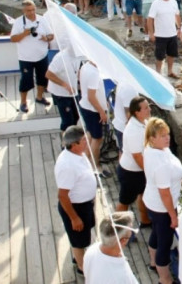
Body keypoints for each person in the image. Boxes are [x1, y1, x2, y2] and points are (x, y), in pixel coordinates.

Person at [143, 118, 182, 284]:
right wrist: (173, 216)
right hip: (162, 209)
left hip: (152, 204)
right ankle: (165, 279)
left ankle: (153, 261)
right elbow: (165, 193)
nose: (167, 138)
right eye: (162, 135)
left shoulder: (152, 149)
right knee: (165, 244)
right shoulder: (160, 164)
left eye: (167, 134)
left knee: (157, 233)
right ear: (152, 138)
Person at [55, 126, 97, 275]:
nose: (87, 142)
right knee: (79, 241)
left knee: (84, 234)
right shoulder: (67, 166)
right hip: (76, 208)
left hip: (85, 205)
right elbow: (62, 195)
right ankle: (82, 268)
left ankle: (78, 257)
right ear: (73, 145)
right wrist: (74, 218)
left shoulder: (78, 154)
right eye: (84, 140)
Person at [10, 0, 54, 113]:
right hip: (25, 58)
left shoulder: (42, 19)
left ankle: (39, 97)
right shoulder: (19, 22)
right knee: (26, 80)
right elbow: (13, 39)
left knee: (43, 78)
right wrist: (24, 33)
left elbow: (51, 35)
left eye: (33, 9)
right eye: (29, 10)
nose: (32, 12)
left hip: (42, 55)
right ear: (23, 11)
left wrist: (47, 38)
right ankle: (23, 102)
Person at [115, 96, 152, 227]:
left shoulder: (143, 122)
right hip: (130, 173)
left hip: (138, 171)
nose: (149, 109)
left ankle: (145, 220)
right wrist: (149, 173)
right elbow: (137, 156)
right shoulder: (133, 130)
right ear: (137, 112)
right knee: (124, 201)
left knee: (142, 194)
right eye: (146, 108)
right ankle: (119, 227)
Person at [83, 211, 139, 284]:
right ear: (123, 241)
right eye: (131, 231)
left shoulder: (91, 250)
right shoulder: (122, 277)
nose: (132, 233)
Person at [78, 60, 110, 177]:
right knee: (97, 139)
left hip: (86, 107)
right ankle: (96, 167)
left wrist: (103, 101)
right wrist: (101, 112)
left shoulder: (85, 66)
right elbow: (91, 97)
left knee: (90, 134)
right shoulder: (94, 73)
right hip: (92, 111)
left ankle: (85, 160)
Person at [45, 45, 82, 132]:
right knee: (67, 121)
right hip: (61, 94)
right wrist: (65, 85)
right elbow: (48, 74)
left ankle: (71, 140)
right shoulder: (60, 58)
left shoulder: (79, 56)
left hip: (73, 93)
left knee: (76, 117)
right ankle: (65, 144)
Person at [148, 0, 182, 78]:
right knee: (159, 56)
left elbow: (177, 15)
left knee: (171, 54)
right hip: (160, 35)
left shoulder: (174, 2)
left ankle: (170, 71)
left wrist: (179, 28)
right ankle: (158, 74)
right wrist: (151, 33)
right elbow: (150, 19)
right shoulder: (156, 3)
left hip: (172, 33)